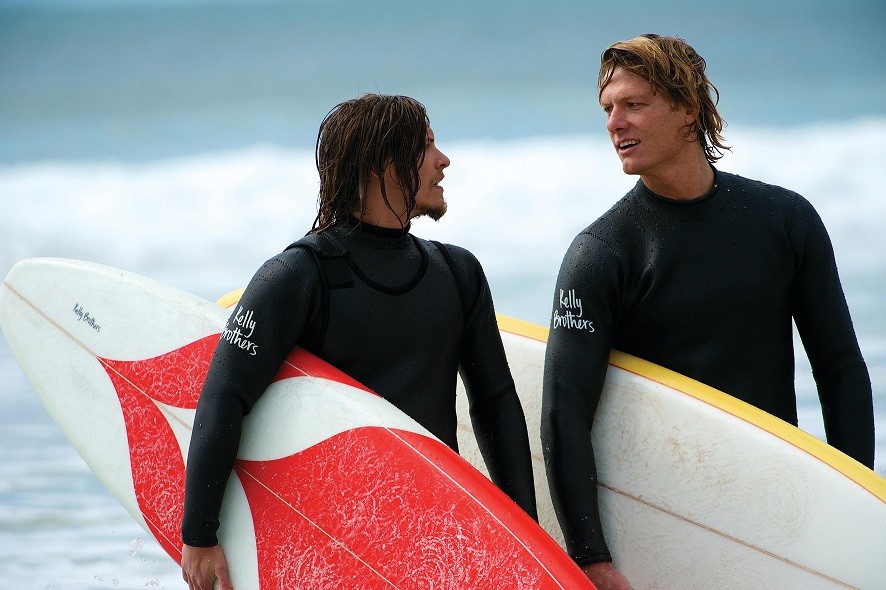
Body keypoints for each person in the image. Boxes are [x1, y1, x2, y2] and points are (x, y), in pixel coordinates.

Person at [541, 33, 874, 590]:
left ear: (688, 109)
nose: (615, 124)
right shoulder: (601, 254)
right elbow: (564, 414)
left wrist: (856, 512)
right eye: (607, 109)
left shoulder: (785, 222)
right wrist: (591, 557)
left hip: (775, 513)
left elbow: (840, 371)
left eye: (633, 104)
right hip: (663, 524)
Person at [180, 94, 538, 590]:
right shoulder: (299, 276)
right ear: (381, 164)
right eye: (427, 146)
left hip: (434, 541)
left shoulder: (458, 273)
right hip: (333, 546)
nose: (444, 160)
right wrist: (199, 535)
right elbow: (225, 396)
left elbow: (495, 405)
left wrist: (526, 543)